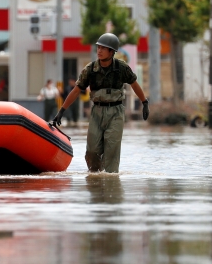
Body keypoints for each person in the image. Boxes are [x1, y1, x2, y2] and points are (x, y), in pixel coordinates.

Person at [53, 33, 150, 173]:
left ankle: (110, 183)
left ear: (112, 51)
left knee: (111, 150)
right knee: (92, 151)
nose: (99, 51)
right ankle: (95, 179)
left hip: (116, 112)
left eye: (104, 48)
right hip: (97, 112)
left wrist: (144, 102)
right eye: (98, 47)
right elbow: (75, 91)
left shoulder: (121, 68)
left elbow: (134, 84)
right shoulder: (90, 69)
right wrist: (61, 111)